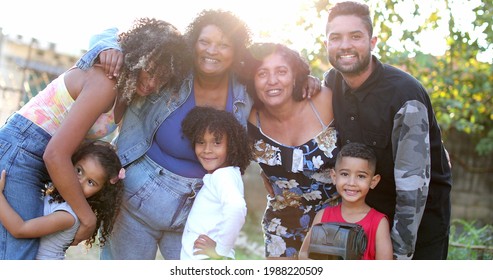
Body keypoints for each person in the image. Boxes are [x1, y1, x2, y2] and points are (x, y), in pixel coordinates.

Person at [77, 9, 321, 260]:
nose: (212, 51)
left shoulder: (245, 90)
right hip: (138, 199)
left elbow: (276, 86)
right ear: (193, 43)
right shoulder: (172, 68)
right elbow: (108, 35)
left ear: (236, 50)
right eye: (205, 42)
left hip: (197, 211)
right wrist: (108, 50)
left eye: (224, 45)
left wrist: (305, 80)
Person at [0, 17, 190, 259]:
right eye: (149, 71)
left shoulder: (127, 92)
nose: (152, 83)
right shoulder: (105, 82)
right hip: (20, 154)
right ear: (135, 57)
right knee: (18, 255)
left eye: (162, 78)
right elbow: (55, 154)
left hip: (36, 161)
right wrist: (87, 218)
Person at [323, 1, 452, 259]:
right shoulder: (331, 82)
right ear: (326, 44)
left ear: (373, 42)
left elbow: (412, 190)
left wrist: (399, 256)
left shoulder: (405, 95)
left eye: (355, 36)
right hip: (365, 216)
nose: (345, 45)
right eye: (335, 37)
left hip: (416, 222)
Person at [243, 42, 340, 259]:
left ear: (295, 76)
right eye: (262, 73)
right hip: (281, 229)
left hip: (335, 226)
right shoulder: (249, 119)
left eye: (282, 71)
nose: (272, 80)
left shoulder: (325, 100)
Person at [0, 141, 124, 260]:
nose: (79, 182)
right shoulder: (56, 196)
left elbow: (20, 230)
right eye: (79, 171)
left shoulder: (67, 215)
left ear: (101, 193)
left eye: (91, 182)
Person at [180, 106, 252, 260]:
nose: (207, 150)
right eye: (201, 142)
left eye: (216, 143)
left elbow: (236, 208)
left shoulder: (223, 176)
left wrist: (221, 249)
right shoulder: (226, 174)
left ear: (231, 146)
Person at [299, 142, 393, 260]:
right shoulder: (323, 216)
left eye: (361, 176)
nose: (351, 183)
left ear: (373, 181)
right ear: (334, 176)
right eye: (345, 174)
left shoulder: (378, 222)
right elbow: (303, 254)